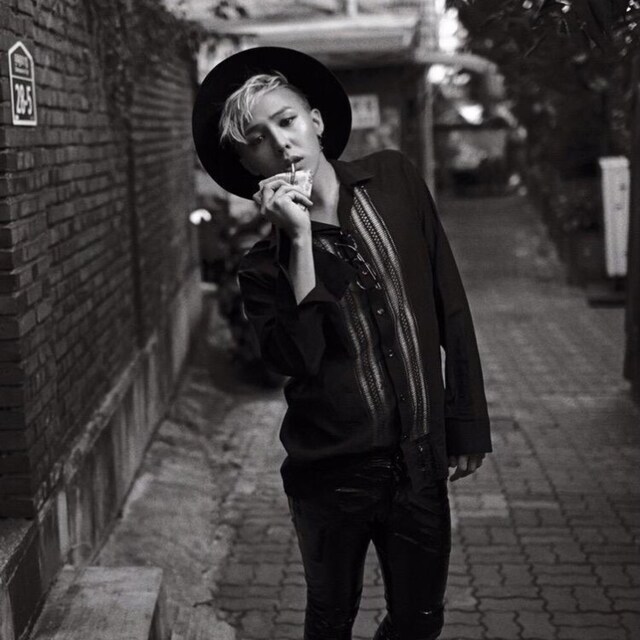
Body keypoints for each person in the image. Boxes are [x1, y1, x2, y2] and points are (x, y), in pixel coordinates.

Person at [192, 46, 492, 640]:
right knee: (331, 621)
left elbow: (450, 306)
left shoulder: (395, 179)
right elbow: (297, 359)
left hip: (419, 457)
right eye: (257, 139)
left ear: (317, 120)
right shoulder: (262, 267)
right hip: (330, 476)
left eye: (287, 120)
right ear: (247, 162)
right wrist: (299, 241)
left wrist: (466, 421)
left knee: (420, 622)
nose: (281, 143)